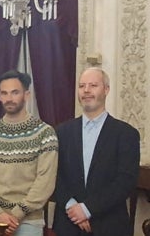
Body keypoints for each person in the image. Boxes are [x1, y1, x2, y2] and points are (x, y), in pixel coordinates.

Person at [53, 67, 140, 236]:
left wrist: (87, 209)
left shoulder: (126, 134)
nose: (86, 91)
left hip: (109, 225)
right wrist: (72, 207)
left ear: (106, 90)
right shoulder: (62, 132)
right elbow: (54, 175)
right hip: (68, 225)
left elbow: (125, 181)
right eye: (82, 86)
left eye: (93, 85)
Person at [0, 70, 58, 236]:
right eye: (4, 93)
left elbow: (45, 181)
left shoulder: (45, 133)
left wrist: (16, 215)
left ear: (26, 95)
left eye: (15, 92)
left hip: (29, 221)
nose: (9, 98)